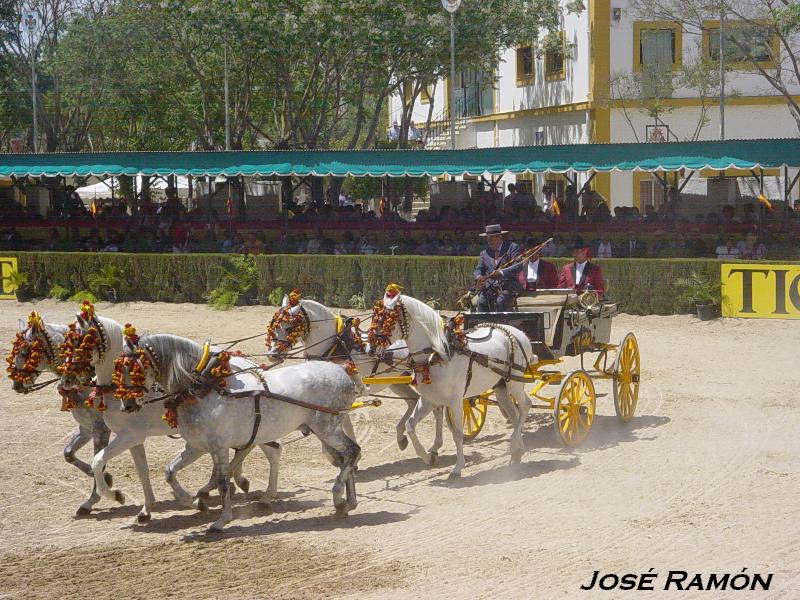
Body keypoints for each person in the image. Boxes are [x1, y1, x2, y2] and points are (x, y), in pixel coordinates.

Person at [473, 224, 521, 311]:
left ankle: (502, 323)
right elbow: (478, 269)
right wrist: (478, 276)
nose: (489, 240)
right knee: (481, 302)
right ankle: (483, 323)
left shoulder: (512, 247)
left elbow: (517, 266)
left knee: (501, 301)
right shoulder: (484, 253)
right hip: (490, 287)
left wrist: (501, 273)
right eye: (487, 238)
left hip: (508, 286)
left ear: (499, 237)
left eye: (491, 238)